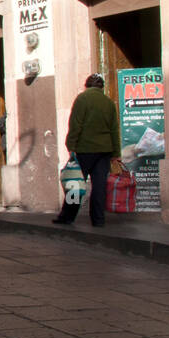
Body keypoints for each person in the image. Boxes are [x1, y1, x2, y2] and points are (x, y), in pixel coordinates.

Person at [53, 73, 122, 228]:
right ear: (101, 87)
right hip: (105, 150)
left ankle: (67, 216)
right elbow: (114, 130)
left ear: (87, 85)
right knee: (99, 186)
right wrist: (116, 153)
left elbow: (76, 125)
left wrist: (71, 146)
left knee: (75, 183)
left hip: (85, 149)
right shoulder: (109, 102)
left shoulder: (82, 99)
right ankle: (98, 219)